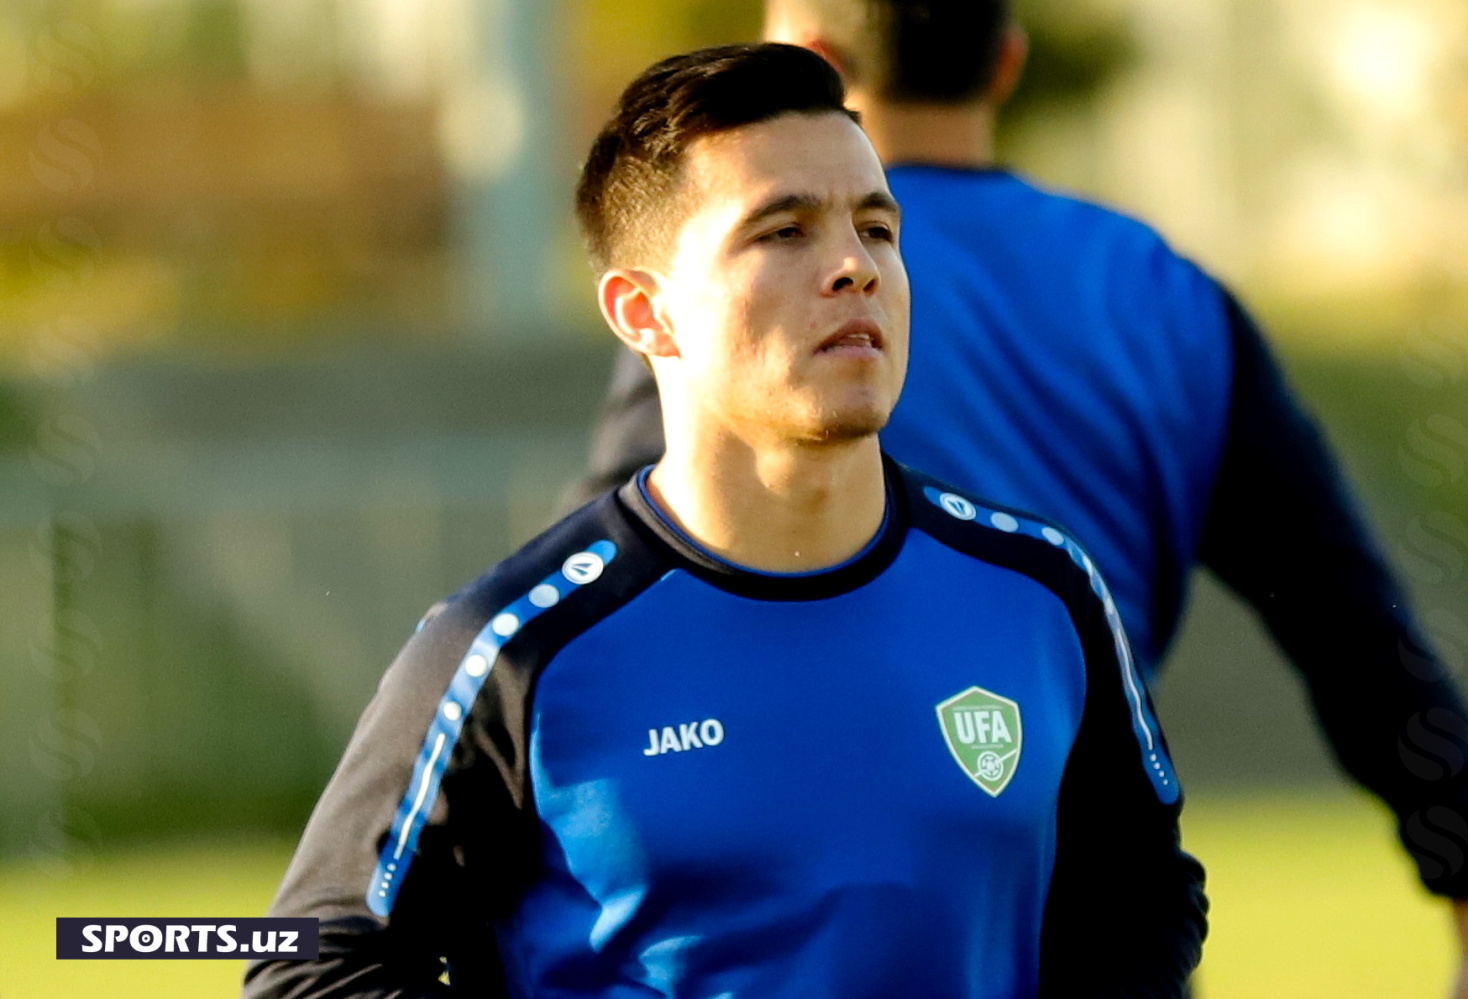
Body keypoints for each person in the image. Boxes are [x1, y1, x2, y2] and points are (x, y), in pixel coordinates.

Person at [563, 1, 1468, 994]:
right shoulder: (1162, 291)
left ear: (812, 60)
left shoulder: (750, 294)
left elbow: (602, 607)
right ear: (1006, 63)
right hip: (1106, 901)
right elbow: (1347, 620)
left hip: (832, 916)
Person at [245, 43, 1206, 999]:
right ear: (643, 312)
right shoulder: (513, 650)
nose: (854, 266)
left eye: (876, 228)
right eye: (783, 232)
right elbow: (310, 964)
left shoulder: (1041, 590)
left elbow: (1142, 889)